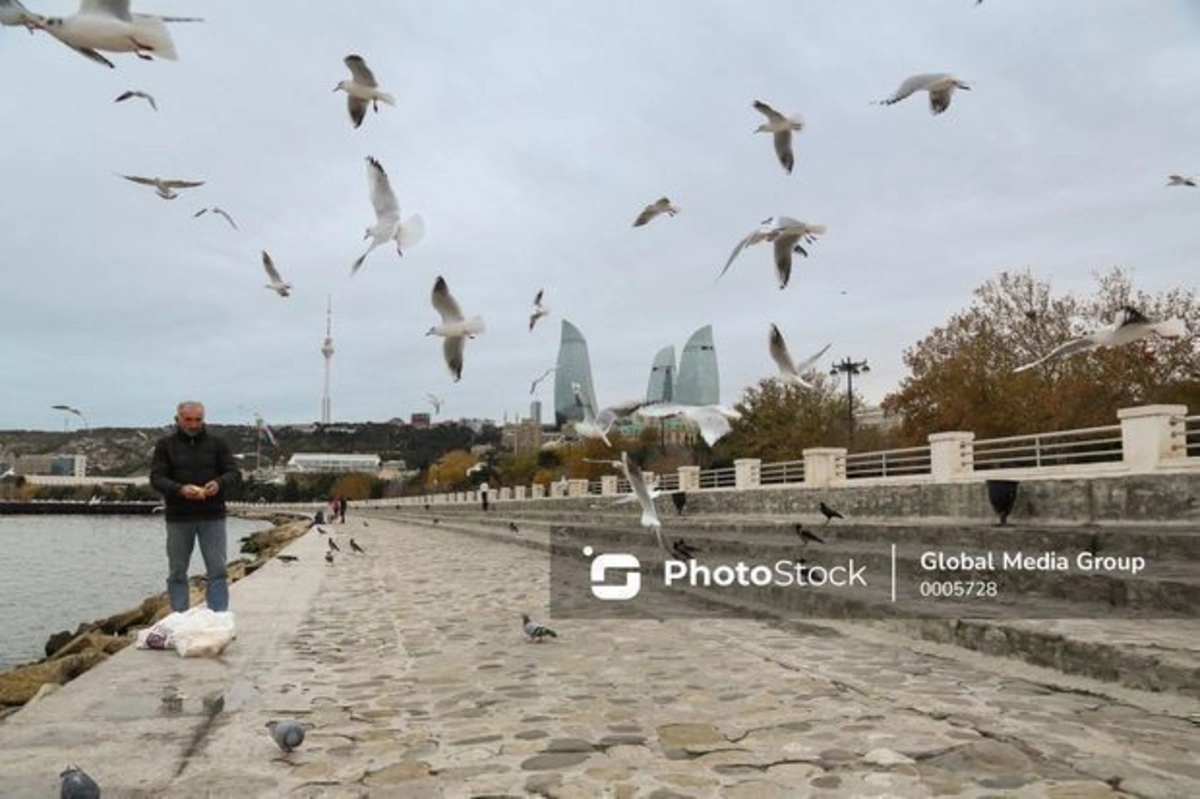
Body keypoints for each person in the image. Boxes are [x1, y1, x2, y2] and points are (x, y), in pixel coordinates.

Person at [150, 401, 241, 613]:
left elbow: (234, 473)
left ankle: (218, 617)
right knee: (177, 572)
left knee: (217, 570)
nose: (193, 424)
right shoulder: (165, 445)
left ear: (204, 419)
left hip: (213, 516)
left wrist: (218, 483)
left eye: (198, 420)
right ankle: (179, 617)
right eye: (188, 420)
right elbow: (156, 478)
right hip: (178, 518)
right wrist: (179, 489)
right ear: (178, 419)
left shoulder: (218, 443)